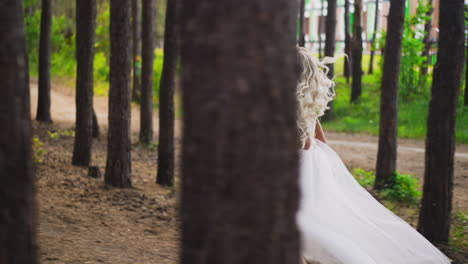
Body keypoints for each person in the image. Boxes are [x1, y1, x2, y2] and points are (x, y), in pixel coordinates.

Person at [295, 47, 451, 264]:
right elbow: (322, 143)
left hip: (296, 178)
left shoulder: (284, 111)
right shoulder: (307, 109)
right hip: (310, 176)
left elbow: (303, 146)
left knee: (299, 231)